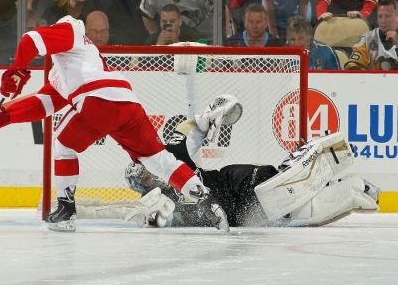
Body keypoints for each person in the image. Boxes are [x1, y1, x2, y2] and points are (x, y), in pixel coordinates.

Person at [0, 15, 229, 233]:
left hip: (98, 100)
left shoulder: (71, 28)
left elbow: (30, 40)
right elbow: (44, 105)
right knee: (158, 160)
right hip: (127, 104)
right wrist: (4, 117)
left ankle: (66, 210)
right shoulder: (64, 68)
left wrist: (17, 68)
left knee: (63, 146)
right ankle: (207, 202)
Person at [122, 95, 380, 228]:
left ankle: (303, 168)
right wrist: (154, 220)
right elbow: (163, 219)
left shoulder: (170, 154)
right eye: (142, 180)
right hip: (234, 214)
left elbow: (194, 130)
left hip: (233, 183)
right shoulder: (159, 200)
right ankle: (351, 188)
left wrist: (209, 116)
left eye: (143, 171)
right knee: (289, 212)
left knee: (270, 192)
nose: (148, 176)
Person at [346, 0, 398, 70]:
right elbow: (352, 65)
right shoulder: (368, 38)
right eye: (380, 16)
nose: (383, 21)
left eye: (387, 16)